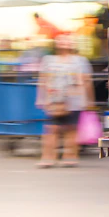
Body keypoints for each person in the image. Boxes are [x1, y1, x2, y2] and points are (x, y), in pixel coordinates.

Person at [35, 34, 94, 168]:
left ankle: (70, 156)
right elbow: (43, 80)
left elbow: (87, 81)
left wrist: (90, 100)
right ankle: (48, 157)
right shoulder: (48, 60)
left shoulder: (80, 61)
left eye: (67, 40)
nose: (64, 42)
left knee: (71, 129)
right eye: (61, 40)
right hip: (54, 99)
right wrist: (41, 98)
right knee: (51, 129)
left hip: (75, 99)